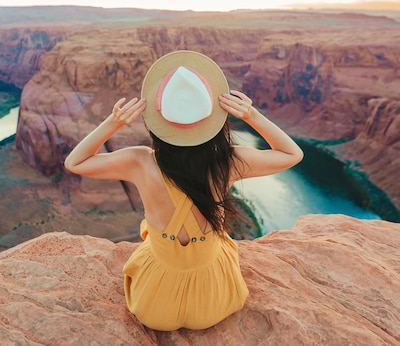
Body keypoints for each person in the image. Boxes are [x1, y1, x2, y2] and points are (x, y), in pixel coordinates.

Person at [64, 50, 303, 331]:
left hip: (155, 306)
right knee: (223, 242)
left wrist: (113, 123)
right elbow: (291, 154)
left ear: (157, 122)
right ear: (213, 121)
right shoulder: (228, 162)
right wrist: (251, 115)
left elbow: (75, 162)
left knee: (150, 245)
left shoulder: (140, 161)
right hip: (214, 301)